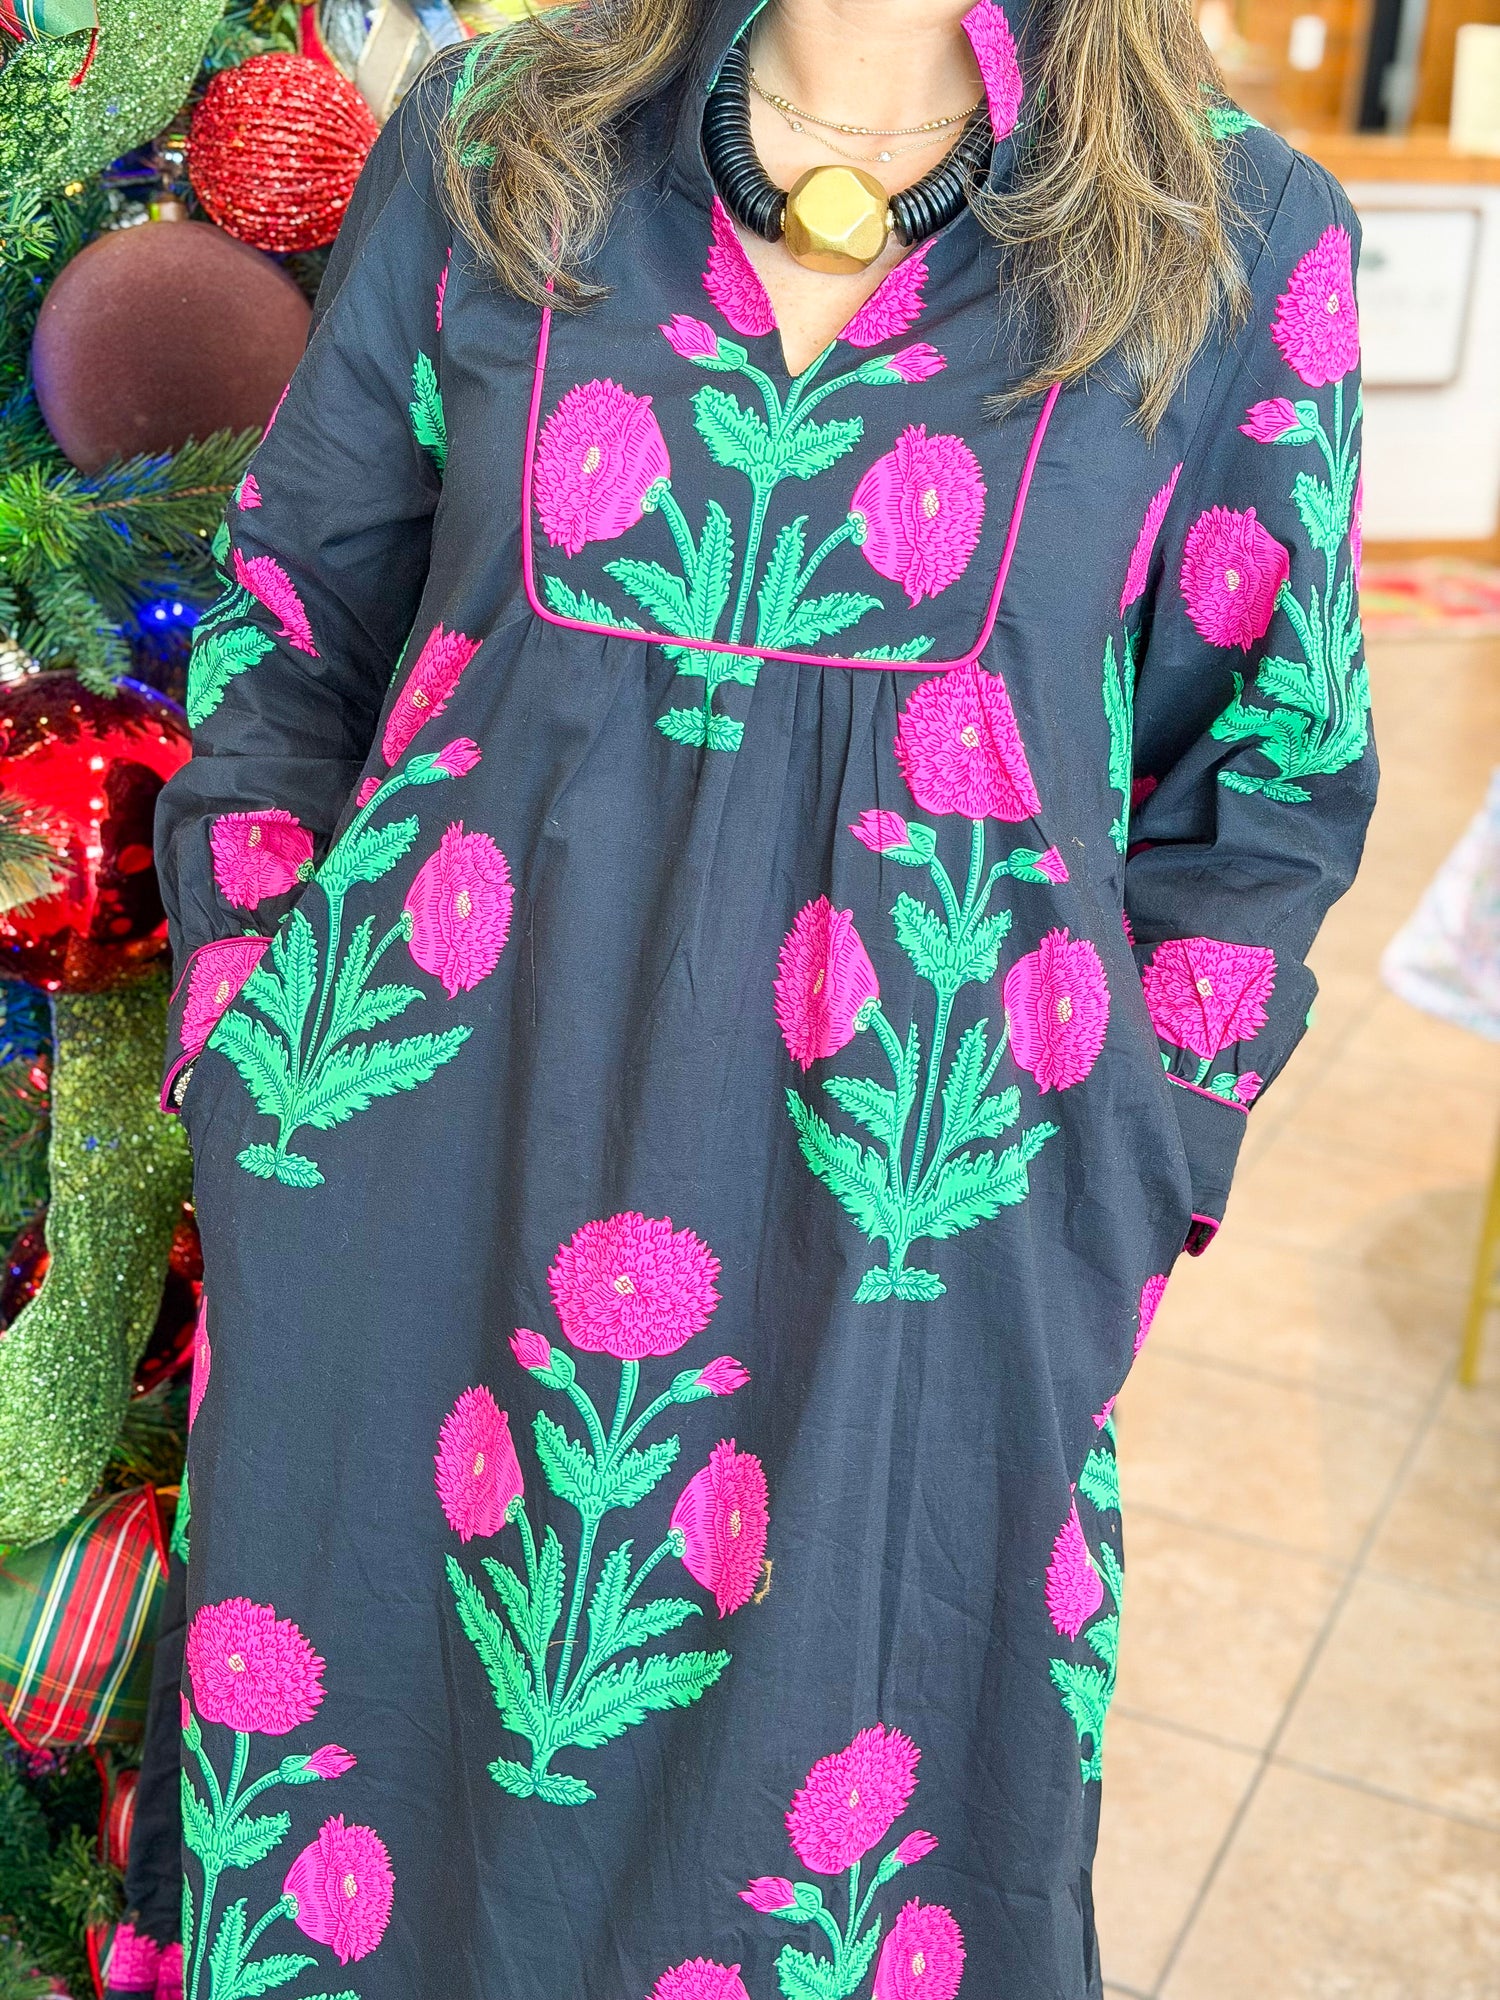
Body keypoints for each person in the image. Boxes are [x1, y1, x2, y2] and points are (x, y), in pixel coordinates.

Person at [146, 2, 1377, 1994]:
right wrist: (253, 1036)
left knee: (829, 1879)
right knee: (365, 1870)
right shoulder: (499, 139)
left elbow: (1267, 779)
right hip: (406, 1215)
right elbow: (295, 621)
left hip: (914, 1275)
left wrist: (1114, 1191)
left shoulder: (1230, 233)